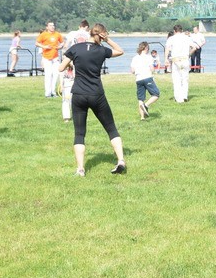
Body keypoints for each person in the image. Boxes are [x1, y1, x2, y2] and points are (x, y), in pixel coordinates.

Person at [58, 24, 126, 176]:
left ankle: (80, 169)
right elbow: (120, 51)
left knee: (79, 133)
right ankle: (121, 160)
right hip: (96, 94)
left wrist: (73, 62)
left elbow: (61, 68)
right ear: (102, 35)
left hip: (79, 94)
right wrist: (107, 40)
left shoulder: (75, 48)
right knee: (111, 128)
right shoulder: (102, 50)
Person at [60, 20, 91, 123]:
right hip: (83, 61)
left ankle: (66, 117)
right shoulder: (88, 34)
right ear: (86, 27)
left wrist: (65, 57)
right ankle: (79, 113)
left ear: (79, 26)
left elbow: (65, 46)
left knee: (67, 92)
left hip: (72, 57)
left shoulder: (72, 33)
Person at [131, 42, 161, 120]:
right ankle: (146, 105)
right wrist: (154, 70)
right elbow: (152, 69)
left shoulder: (135, 58)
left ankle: (142, 117)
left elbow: (132, 71)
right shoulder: (149, 57)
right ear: (146, 48)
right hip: (147, 77)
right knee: (156, 94)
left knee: (141, 99)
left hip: (138, 79)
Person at [166, 25, 195, 102]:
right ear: (182, 30)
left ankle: (178, 97)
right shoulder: (187, 38)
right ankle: (184, 96)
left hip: (176, 60)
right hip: (185, 59)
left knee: (176, 79)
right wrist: (189, 55)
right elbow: (194, 47)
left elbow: (167, 49)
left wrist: (165, 59)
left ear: (174, 31)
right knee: (185, 79)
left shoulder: (171, 38)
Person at [36, 22, 64, 98]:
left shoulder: (57, 34)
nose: (52, 27)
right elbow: (37, 43)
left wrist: (60, 46)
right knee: (48, 75)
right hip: (47, 58)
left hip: (55, 57)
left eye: (53, 25)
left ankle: (53, 92)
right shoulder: (43, 34)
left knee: (55, 75)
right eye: (50, 25)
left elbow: (62, 42)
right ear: (47, 27)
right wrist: (44, 46)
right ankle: (47, 93)